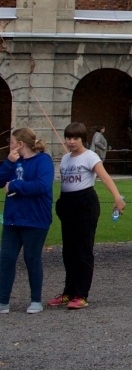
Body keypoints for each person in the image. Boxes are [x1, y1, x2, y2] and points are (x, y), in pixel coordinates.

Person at [50, 121, 128, 309]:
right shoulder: (66, 158)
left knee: (83, 250)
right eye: (68, 138)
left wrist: (117, 197)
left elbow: (105, 177)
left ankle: (81, 294)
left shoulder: (90, 156)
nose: (71, 142)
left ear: (82, 139)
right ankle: (68, 291)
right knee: (68, 251)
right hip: (68, 204)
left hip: (85, 203)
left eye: (75, 138)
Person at [0, 128, 54, 314]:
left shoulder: (43, 161)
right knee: (6, 259)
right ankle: (3, 301)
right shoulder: (14, 162)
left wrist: (15, 185)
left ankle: (36, 300)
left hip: (35, 219)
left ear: (20, 144)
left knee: (31, 258)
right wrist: (8, 163)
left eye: (12, 141)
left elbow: (42, 185)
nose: (10, 145)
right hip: (12, 219)